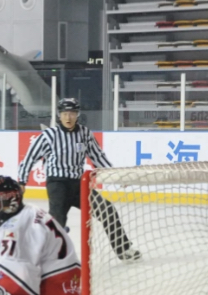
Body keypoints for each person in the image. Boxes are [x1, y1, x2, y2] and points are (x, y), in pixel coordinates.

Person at [17, 98, 139, 261]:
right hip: (57, 185)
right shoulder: (49, 136)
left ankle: (124, 250)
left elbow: (98, 157)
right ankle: (46, 258)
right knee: (57, 222)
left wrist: (116, 176)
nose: (68, 117)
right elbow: (30, 158)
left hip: (78, 185)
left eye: (72, 113)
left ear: (77, 114)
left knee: (107, 210)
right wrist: (22, 181)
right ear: (59, 115)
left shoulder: (85, 133)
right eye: (65, 113)